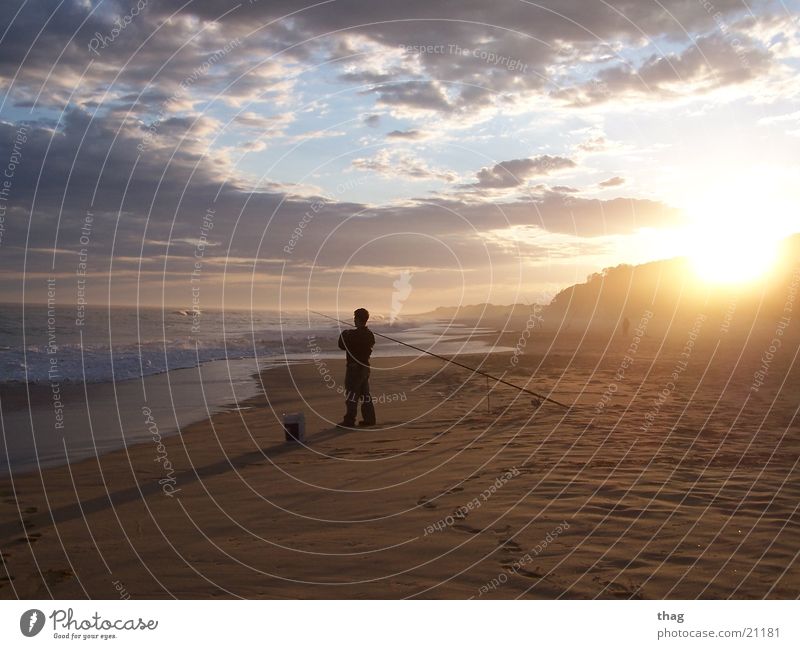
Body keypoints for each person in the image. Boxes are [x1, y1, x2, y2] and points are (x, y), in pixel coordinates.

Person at [337, 307, 376, 428]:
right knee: (365, 394)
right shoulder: (369, 335)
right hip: (365, 367)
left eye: (355, 318)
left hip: (354, 368)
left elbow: (341, 345)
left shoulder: (351, 335)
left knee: (352, 395)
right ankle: (369, 419)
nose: (354, 320)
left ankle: (349, 420)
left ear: (358, 319)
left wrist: (344, 333)